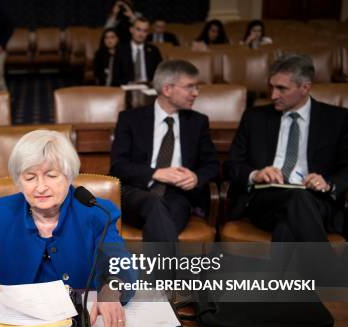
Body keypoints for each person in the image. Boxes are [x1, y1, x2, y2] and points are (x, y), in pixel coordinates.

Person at [0, 130, 135, 327]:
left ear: (69, 176)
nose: (40, 187)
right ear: (19, 180)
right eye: (30, 177)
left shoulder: (96, 212)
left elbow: (119, 265)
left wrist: (110, 293)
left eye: (51, 175)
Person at [225, 54, 348, 242]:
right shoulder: (254, 117)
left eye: (281, 88)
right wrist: (255, 175)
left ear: (305, 88)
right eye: (271, 87)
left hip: (317, 201)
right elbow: (231, 165)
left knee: (287, 227)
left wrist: (327, 183)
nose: (273, 95)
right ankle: (329, 271)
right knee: (297, 200)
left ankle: (320, 271)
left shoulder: (337, 119)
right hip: (266, 199)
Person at [110, 60, 219, 242]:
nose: (196, 93)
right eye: (190, 87)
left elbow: (212, 166)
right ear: (167, 89)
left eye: (197, 87)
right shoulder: (130, 119)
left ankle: (151, 271)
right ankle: (166, 271)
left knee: (167, 213)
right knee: (156, 206)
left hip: (177, 195)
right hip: (135, 192)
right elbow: (118, 166)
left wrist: (196, 177)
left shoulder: (198, 122)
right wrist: (156, 173)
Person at [115, 18, 163, 85]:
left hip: (149, 87)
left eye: (145, 31)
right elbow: (116, 76)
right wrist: (129, 83)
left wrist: (154, 82)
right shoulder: (121, 50)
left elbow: (161, 72)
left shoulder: (154, 50)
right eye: (138, 29)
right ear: (131, 30)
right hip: (128, 87)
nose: (141, 34)